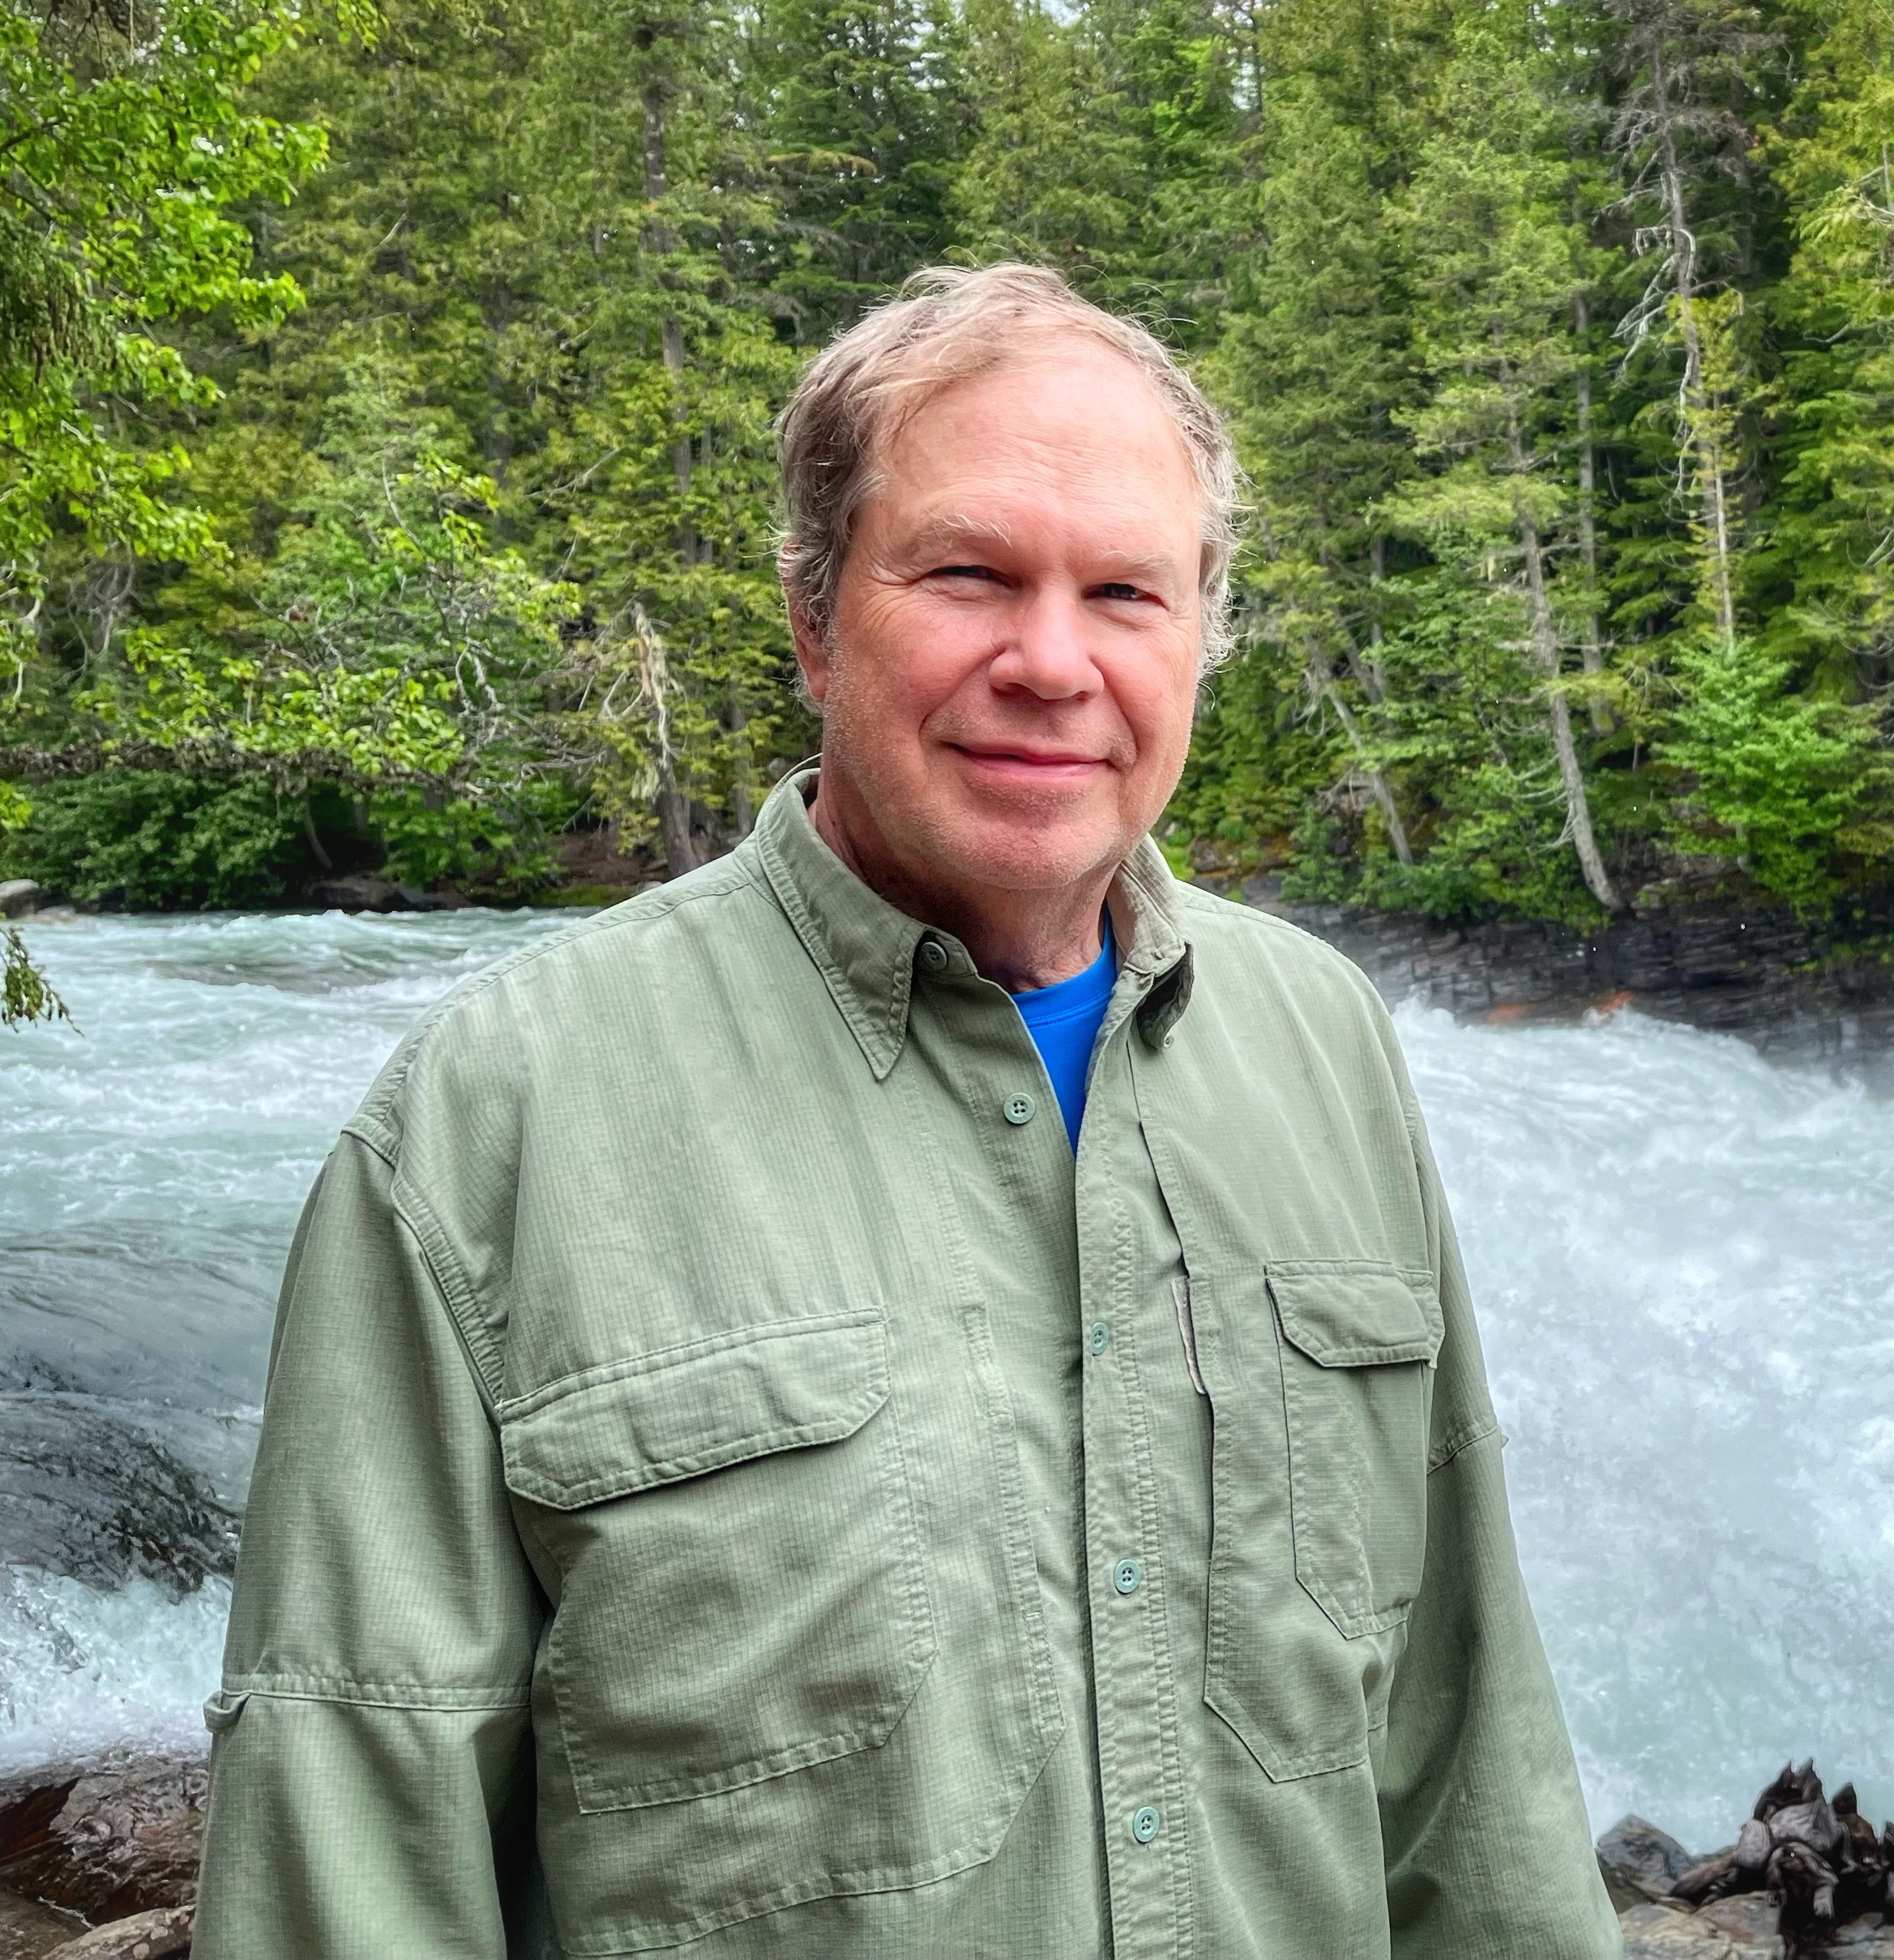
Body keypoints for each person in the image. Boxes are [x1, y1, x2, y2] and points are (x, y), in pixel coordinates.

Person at [194, 263, 1621, 1959]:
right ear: (813, 617)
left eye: (1127, 593)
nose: (1052, 661)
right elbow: (348, 1846)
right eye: (969, 575)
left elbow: (1472, 1766)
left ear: (1200, 638)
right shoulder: (485, 1127)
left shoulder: (1327, 1043)